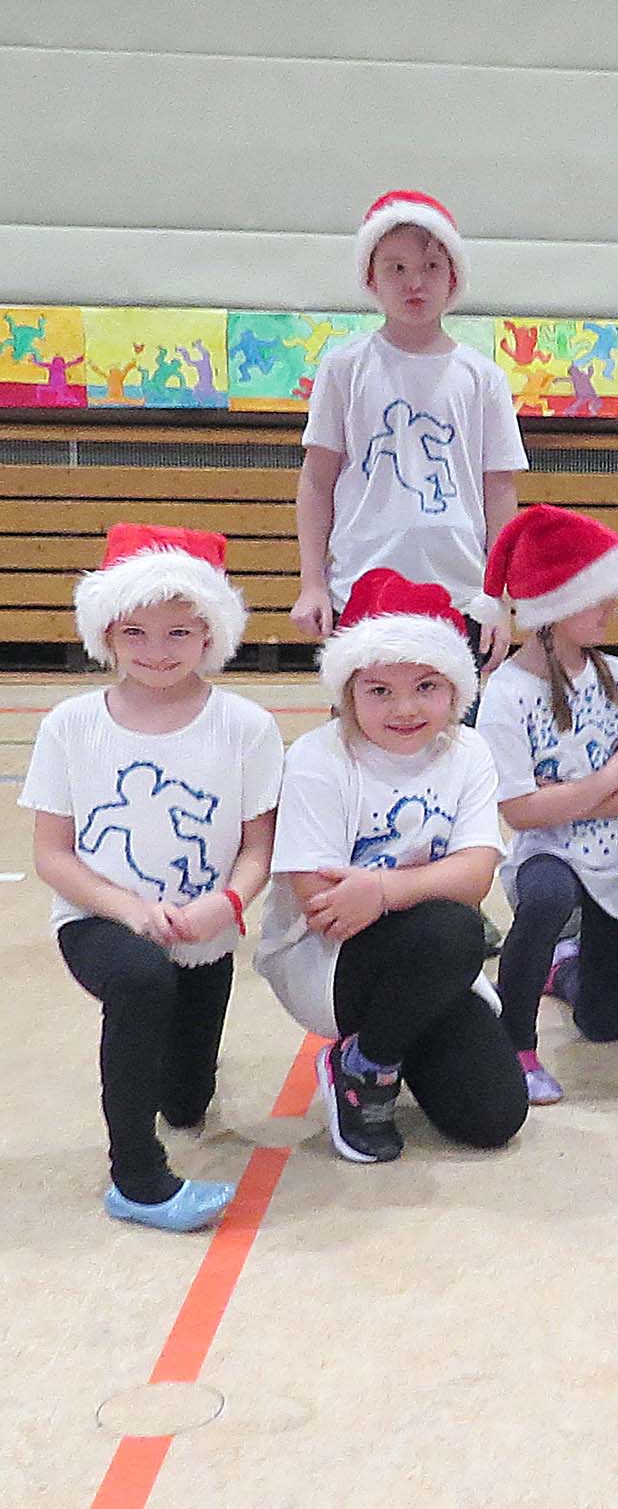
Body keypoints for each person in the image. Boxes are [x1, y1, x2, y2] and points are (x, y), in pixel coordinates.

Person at [25, 526, 282, 1231]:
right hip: (99, 918)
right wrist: (129, 910)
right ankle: (136, 1180)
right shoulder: (71, 725)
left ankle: (171, 1072)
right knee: (140, 981)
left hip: (205, 931)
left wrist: (225, 903)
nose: (156, 650)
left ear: (210, 633)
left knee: (187, 1103)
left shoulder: (247, 726)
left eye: (178, 632)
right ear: (106, 633)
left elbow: (258, 849)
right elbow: (53, 855)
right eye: (134, 632)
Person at [256, 569, 527, 1163]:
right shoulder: (318, 758)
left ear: (455, 690)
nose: (405, 708)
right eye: (380, 690)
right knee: (456, 929)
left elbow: (475, 875)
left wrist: (379, 890)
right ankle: (363, 1065)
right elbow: (321, 904)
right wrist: (424, 890)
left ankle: (393, 1041)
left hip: (428, 955)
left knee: (495, 1117)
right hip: (325, 963)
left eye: (426, 686)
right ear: (348, 693)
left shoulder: (469, 752)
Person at [289, 190, 527, 670]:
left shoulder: (482, 377)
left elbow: (500, 490)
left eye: (431, 267)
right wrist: (312, 583)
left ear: (453, 277)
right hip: (361, 584)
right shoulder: (343, 367)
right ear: (370, 278)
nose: (414, 283)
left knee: (452, 714)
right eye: (396, 268)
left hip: (461, 590)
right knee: (367, 710)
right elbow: (317, 480)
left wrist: (498, 596)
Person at [475, 505, 618, 1104]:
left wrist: (566, 799)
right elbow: (522, 813)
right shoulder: (508, 694)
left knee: (603, 1023)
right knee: (548, 896)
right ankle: (516, 1043)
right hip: (549, 852)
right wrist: (612, 776)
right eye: (596, 600)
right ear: (553, 607)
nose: (611, 611)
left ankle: (564, 968)